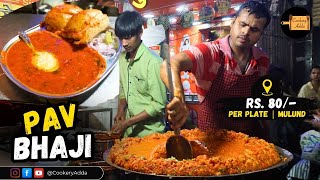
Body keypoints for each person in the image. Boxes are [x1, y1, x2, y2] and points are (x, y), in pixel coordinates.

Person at [160, 1, 271, 136]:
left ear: (261, 34)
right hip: (212, 140)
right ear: (233, 22)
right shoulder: (210, 52)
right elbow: (170, 64)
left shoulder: (261, 60)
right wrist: (178, 96)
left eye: (254, 29)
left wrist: (268, 132)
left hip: (247, 140)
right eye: (242, 24)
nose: (245, 32)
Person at [111, 11, 167, 137]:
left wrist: (127, 122)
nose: (124, 43)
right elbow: (124, 89)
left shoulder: (153, 62)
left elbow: (159, 104)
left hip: (150, 134)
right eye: (121, 38)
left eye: (128, 37)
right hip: (128, 134)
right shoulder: (122, 58)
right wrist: (121, 110)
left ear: (140, 33)